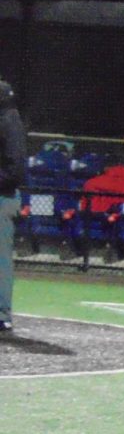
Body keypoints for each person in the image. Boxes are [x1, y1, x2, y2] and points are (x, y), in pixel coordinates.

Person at [0, 79, 26, 332]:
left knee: (0, 260)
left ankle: (1, 314)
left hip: (2, 198)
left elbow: (15, 171)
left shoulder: (9, 121)